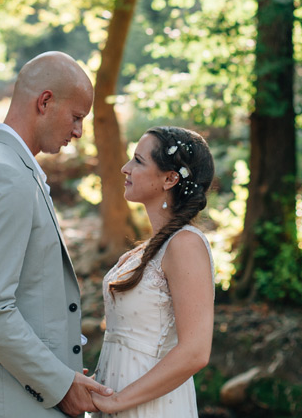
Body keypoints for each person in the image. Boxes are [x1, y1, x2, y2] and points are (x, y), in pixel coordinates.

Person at [0, 51, 113, 418]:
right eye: (77, 117)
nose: (79, 132)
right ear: (45, 101)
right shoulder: (6, 175)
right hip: (5, 404)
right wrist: (60, 384)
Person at [90, 126, 216, 417]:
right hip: (114, 396)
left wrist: (118, 401)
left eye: (138, 160)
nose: (125, 168)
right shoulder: (146, 250)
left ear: (170, 178)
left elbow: (195, 351)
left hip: (150, 405)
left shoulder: (185, 245)